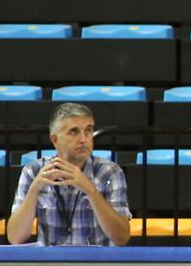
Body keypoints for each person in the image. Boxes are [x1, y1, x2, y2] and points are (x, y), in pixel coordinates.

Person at [7, 102, 132, 246]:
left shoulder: (110, 173)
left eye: (88, 130)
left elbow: (121, 237)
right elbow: (15, 238)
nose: (84, 139)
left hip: (96, 264)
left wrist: (90, 189)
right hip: (50, 264)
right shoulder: (33, 172)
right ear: (55, 140)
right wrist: (34, 190)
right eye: (74, 132)